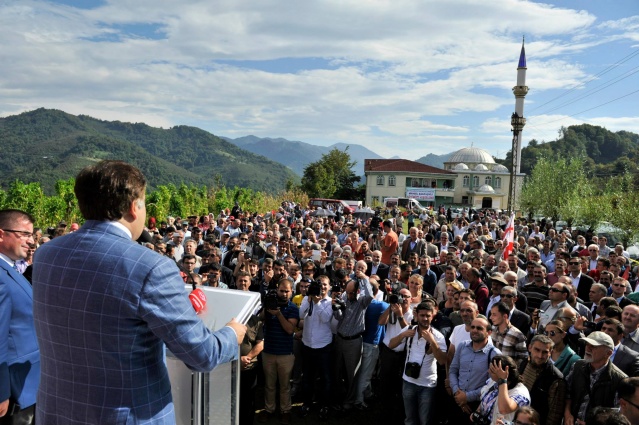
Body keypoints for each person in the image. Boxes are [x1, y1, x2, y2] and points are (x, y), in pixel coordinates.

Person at [32, 160, 246, 424]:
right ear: (135, 207)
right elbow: (202, 355)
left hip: (57, 412)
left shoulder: (46, 254)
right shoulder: (151, 267)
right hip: (126, 416)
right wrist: (232, 334)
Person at [0, 210, 39, 425]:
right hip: (13, 389)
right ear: (1, 234)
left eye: (32, 235)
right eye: (24, 234)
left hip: (27, 382)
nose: (31, 241)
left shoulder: (10, 269)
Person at [388, 302, 447, 425]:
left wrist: (432, 342)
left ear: (432, 316)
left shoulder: (438, 336)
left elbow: (442, 361)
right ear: (417, 315)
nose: (425, 318)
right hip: (408, 381)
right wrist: (403, 335)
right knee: (410, 419)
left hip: (428, 384)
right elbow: (391, 344)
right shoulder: (410, 330)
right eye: (422, 315)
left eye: (428, 315)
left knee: (425, 420)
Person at [564, 331, 628, 425]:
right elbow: (567, 393)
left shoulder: (620, 379)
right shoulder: (577, 366)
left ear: (608, 353)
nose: (588, 348)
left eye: (593, 346)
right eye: (587, 344)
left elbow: (617, 414)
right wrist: (567, 414)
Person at [258, 279, 298, 425]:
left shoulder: (293, 308)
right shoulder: (269, 304)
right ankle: (269, 409)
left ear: (292, 292)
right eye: (281, 291)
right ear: (277, 290)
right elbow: (260, 318)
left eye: (287, 291)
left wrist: (278, 314)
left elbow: (289, 329)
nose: (284, 294)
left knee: (285, 385)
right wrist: (266, 307)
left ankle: (285, 410)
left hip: (285, 353)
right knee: (269, 384)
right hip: (268, 351)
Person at [449, 317, 501, 424]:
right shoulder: (462, 346)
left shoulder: (494, 354)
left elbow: (493, 385)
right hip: (456, 401)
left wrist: (467, 397)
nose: (474, 330)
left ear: (489, 332)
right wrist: (457, 393)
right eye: (472, 327)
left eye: (479, 328)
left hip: (477, 406)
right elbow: (453, 370)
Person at [517, 335, 566, 425]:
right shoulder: (522, 364)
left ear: (550, 352)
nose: (540, 356)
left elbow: (554, 416)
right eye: (537, 350)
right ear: (530, 348)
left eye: (545, 352)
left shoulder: (555, 378)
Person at [474, 355, 531, 425]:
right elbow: (485, 399)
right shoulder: (493, 381)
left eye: (492, 370)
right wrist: (477, 413)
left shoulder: (521, 393)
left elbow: (504, 409)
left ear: (503, 373)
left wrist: (503, 380)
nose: (488, 371)